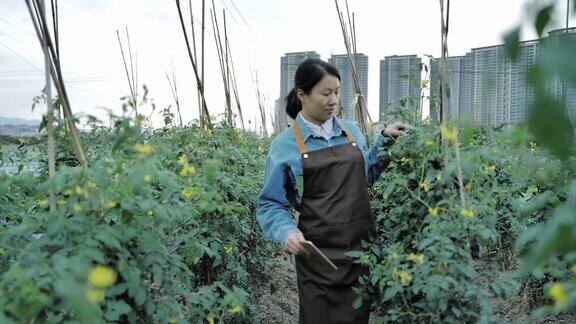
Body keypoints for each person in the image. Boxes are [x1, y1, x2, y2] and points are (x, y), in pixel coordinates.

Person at [256, 58, 408, 323]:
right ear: (302, 95)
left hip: (359, 250)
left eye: (337, 92)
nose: (333, 100)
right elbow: (270, 204)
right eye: (325, 93)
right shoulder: (285, 146)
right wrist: (287, 232)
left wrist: (385, 140)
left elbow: (365, 176)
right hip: (319, 258)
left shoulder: (351, 132)